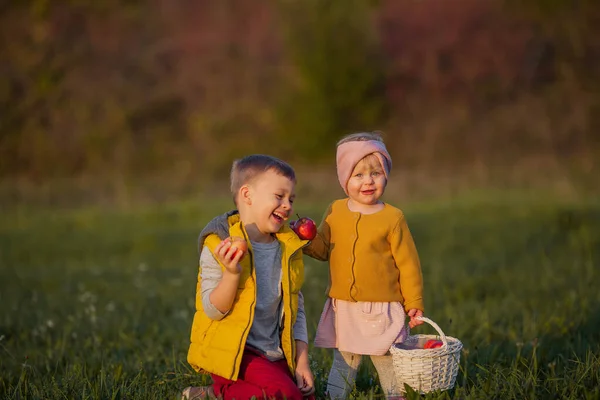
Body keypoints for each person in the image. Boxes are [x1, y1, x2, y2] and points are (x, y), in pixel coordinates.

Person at [303, 132, 425, 400]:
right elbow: (323, 249)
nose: (368, 181)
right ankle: (335, 397)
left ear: (386, 175)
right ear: (344, 179)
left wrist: (413, 300)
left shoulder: (393, 217)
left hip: (383, 307)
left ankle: (395, 396)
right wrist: (307, 238)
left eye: (376, 173)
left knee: (387, 361)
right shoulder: (335, 210)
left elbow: (409, 264)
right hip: (345, 307)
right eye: (358, 175)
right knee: (344, 361)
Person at [182, 154, 315, 400]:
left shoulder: (288, 247)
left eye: (291, 199)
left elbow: (297, 310)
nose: (288, 206)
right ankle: (222, 388)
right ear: (247, 195)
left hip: (273, 353)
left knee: (304, 395)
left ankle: (211, 394)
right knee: (286, 396)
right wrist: (232, 274)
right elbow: (213, 310)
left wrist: (302, 361)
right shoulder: (219, 244)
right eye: (279, 196)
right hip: (236, 353)